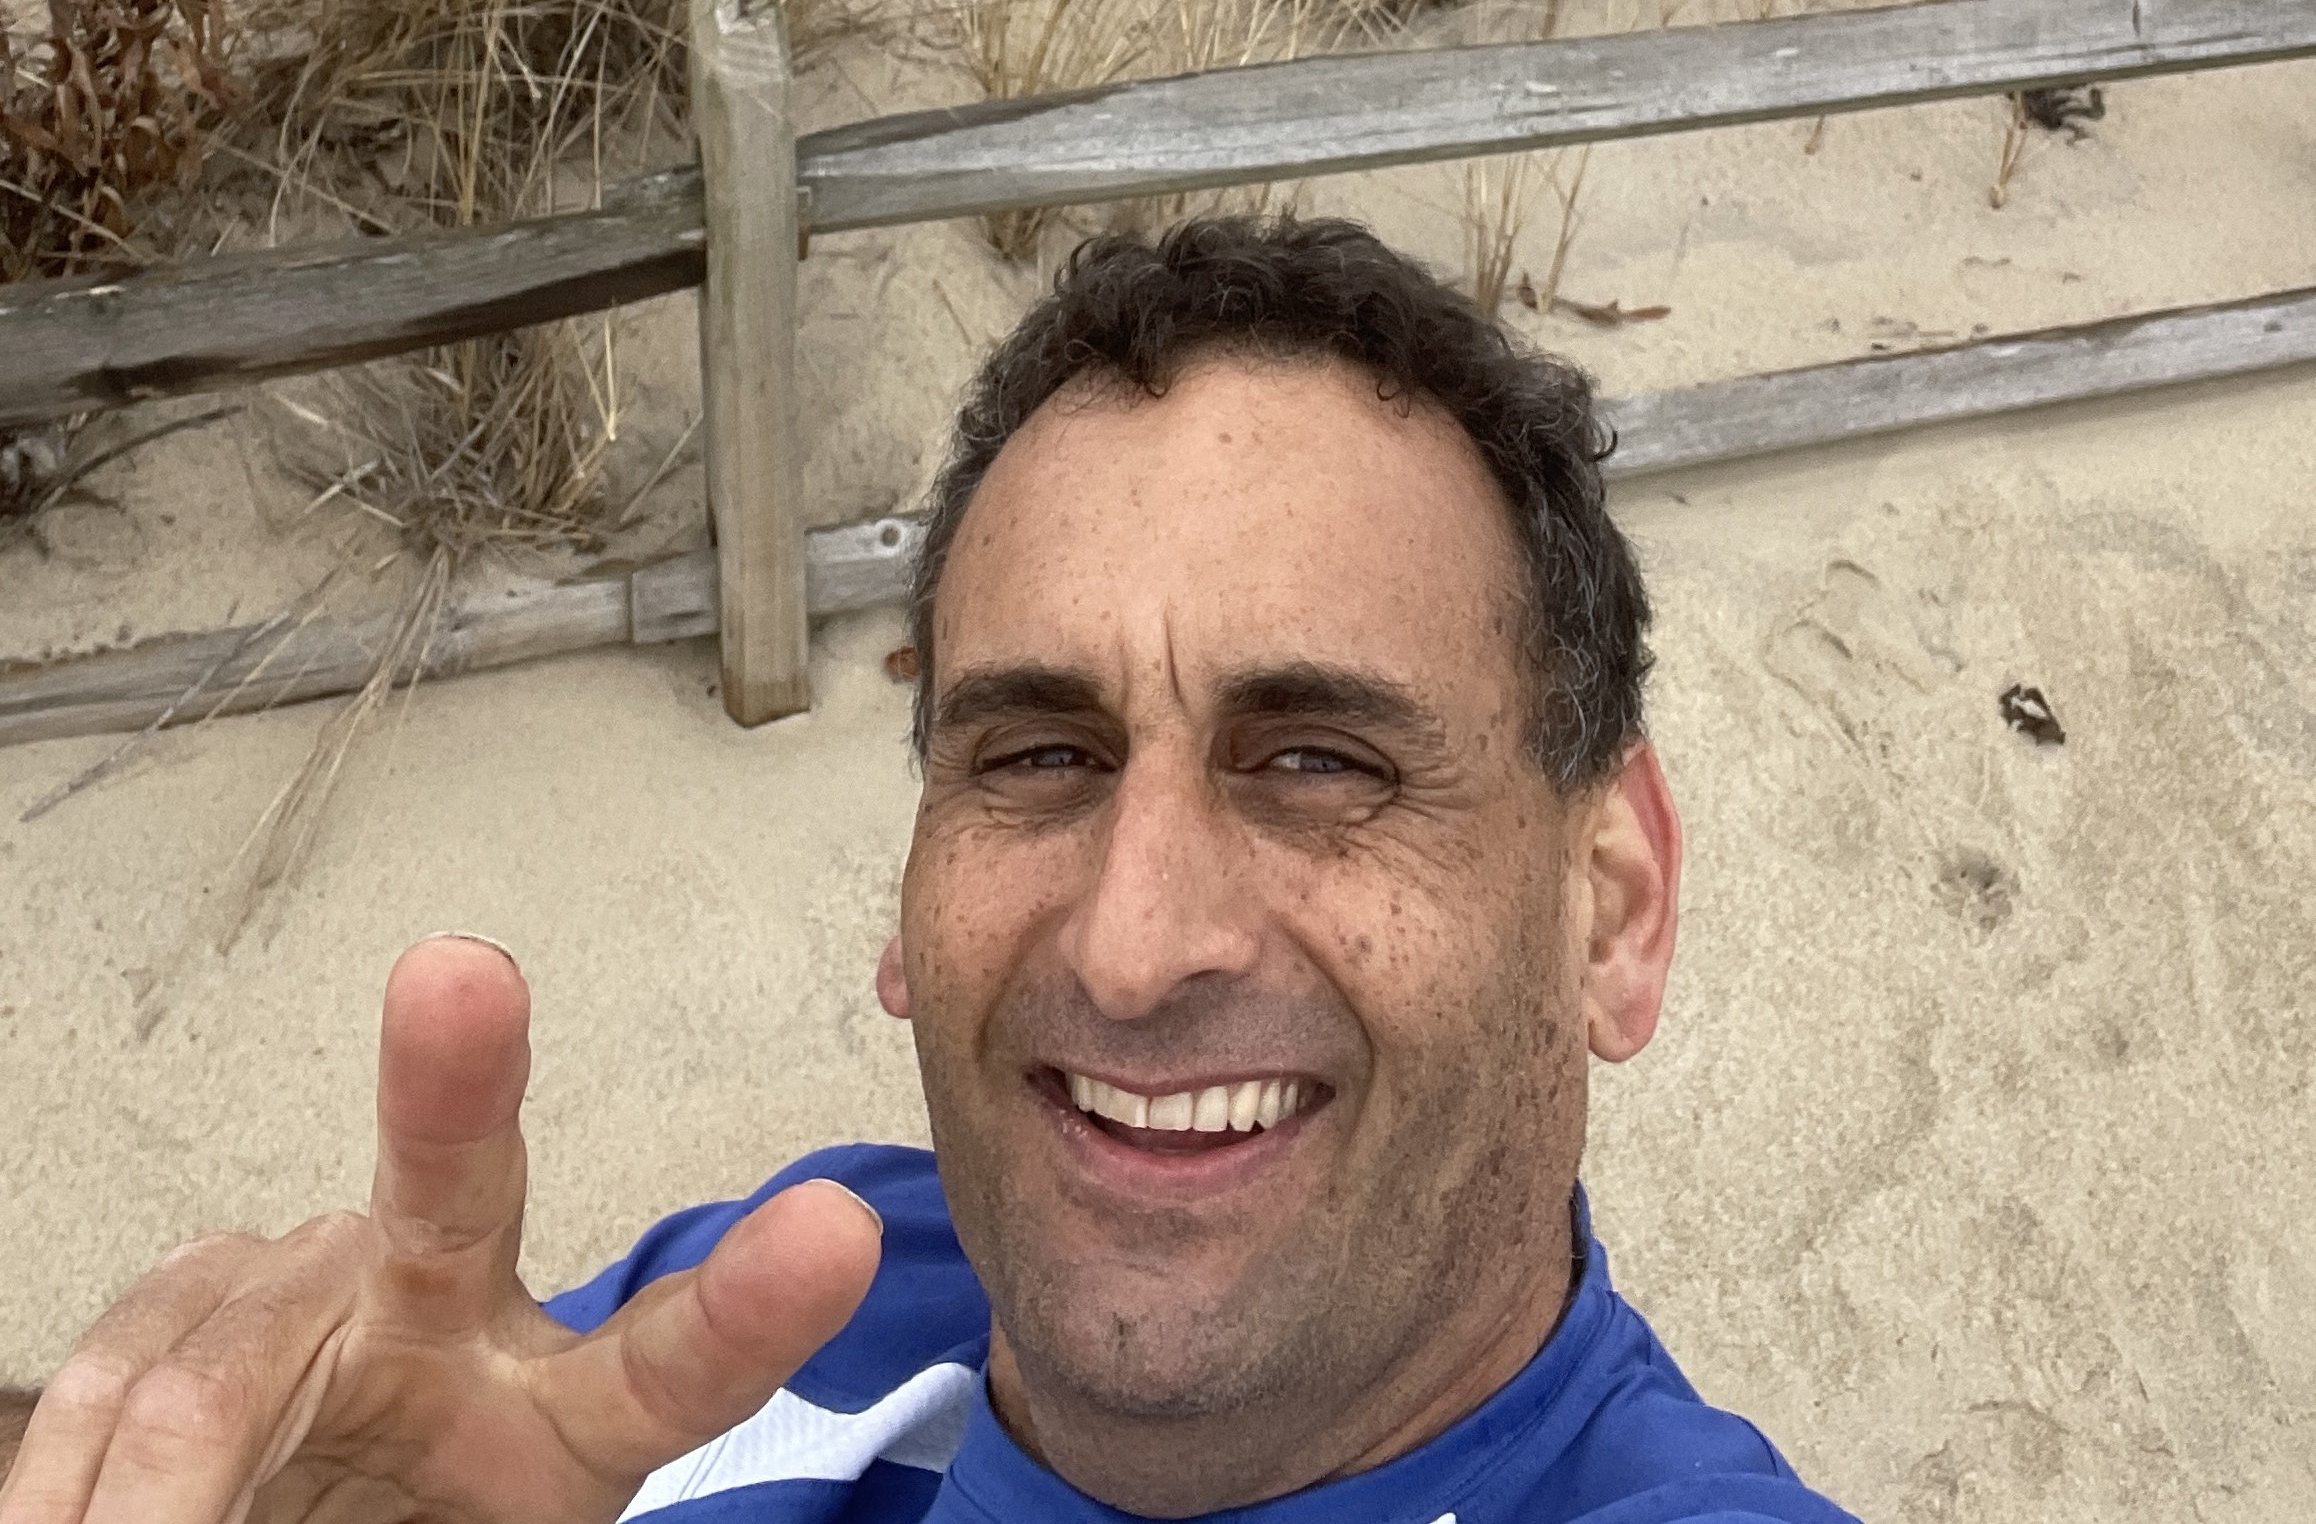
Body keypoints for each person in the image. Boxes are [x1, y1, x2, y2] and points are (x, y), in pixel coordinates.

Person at [0, 216, 1858, 1524]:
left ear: (1612, 908)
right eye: (1039, 756)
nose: (1131, 947)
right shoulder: (798, 1290)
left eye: (1319, 762)